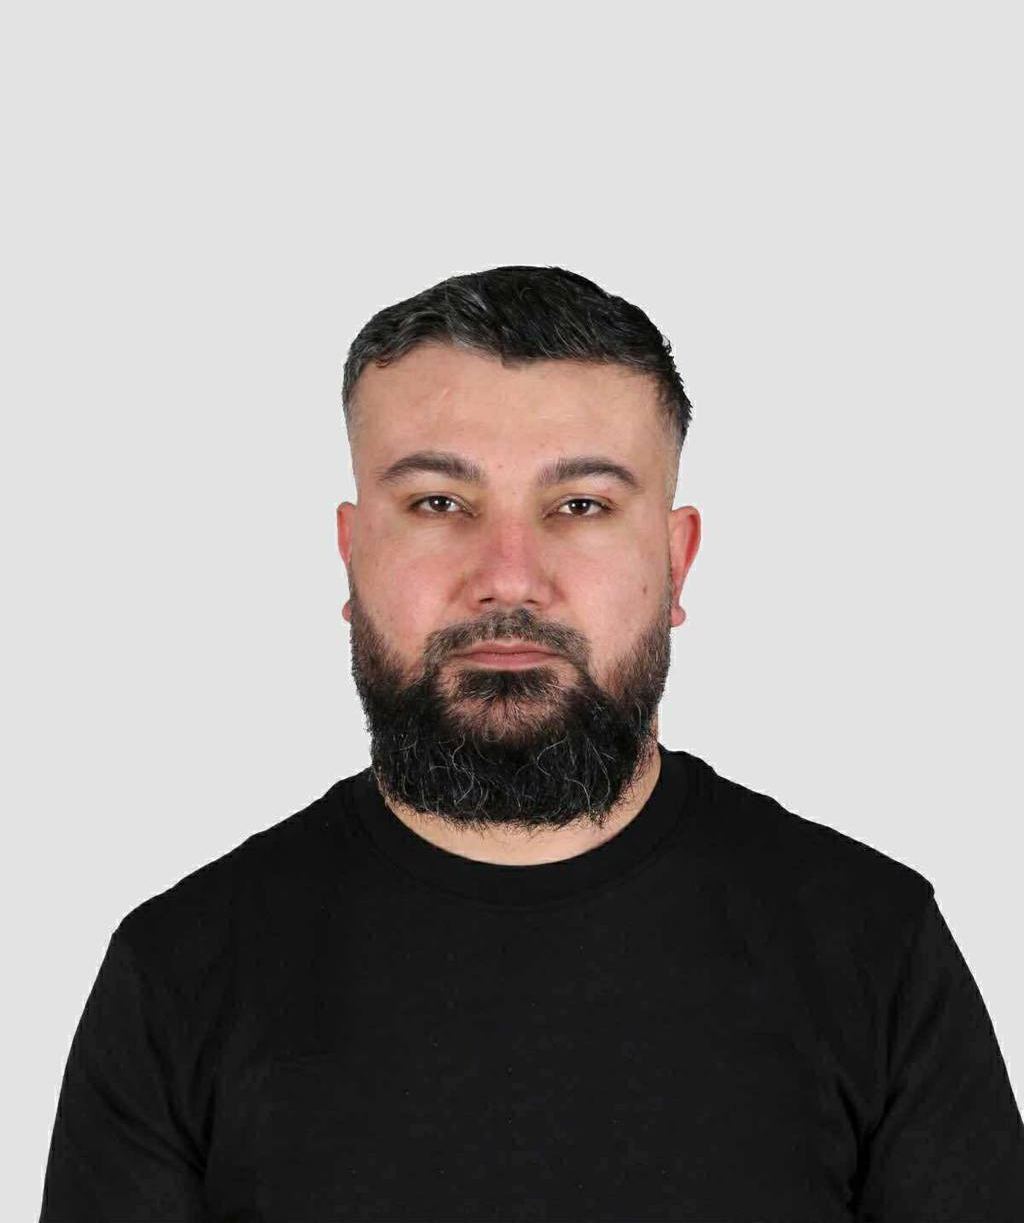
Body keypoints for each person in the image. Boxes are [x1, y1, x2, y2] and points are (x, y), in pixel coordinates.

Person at [39, 265, 1024, 1221]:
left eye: (580, 505)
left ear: (675, 561)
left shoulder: (874, 947)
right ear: (351, 552)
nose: (508, 577)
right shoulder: (178, 972)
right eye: (438, 503)